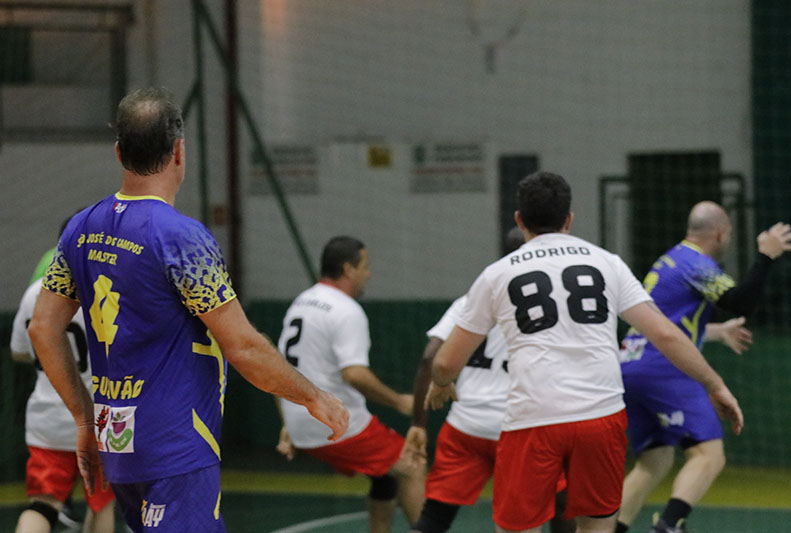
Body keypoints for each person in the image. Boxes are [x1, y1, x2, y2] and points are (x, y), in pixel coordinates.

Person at [27, 87, 349, 532]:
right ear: (179, 151)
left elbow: (42, 328)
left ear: (119, 152)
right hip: (174, 445)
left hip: (116, 439)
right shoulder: (180, 237)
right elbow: (243, 347)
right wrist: (314, 396)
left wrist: (85, 419)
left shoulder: (81, 227)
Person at [425, 171, 743, 533]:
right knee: (597, 527)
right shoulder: (607, 263)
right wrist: (714, 384)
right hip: (600, 417)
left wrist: (442, 382)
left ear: (519, 219)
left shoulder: (496, 274)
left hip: (533, 420)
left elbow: (446, 361)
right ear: (569, 219)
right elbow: (665, 334)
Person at [615, 201, 791, 533]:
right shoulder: (695, 263)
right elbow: (740, 302)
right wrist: (766, 256)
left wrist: (715, 332)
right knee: (709, 455)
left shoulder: (669, 260)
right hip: (663, 368)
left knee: (654, 461)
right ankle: (669, 526)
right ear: (721, 234)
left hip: (630, 365)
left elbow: (666, 323)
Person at [405, 227, 575, 533]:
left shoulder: (471, 299)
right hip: (521, 427)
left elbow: (430, 358)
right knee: (560, 503)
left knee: (434, 518)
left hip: (466, 426)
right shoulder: (552, 307)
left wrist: (419, 422)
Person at [275, 235, 426, 533]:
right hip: (333, 423)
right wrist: (399, 401)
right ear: (348, 269)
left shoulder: (301, 302)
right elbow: (354, 374)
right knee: (412, 463)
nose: (369, 273)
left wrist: (288, 422)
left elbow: (279, 369)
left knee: (385, 474)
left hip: (300, 420)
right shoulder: (345, 310)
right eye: (365, 266)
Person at [11, 276, 116, 533]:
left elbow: (19, 351)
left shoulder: (35, 291)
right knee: (102, 504)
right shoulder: (104, 289)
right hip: (98, 418)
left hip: (48, 420)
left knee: (43, 504)